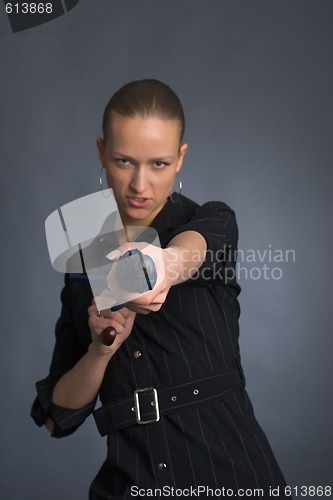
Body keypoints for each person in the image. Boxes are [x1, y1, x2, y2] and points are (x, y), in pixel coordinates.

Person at [31, 79, 290, 499]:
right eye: (123, 160)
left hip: (232, 475)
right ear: (101, 152)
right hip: (131, 482)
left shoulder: (212, 221)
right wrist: (100, 350)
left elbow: (185, 255)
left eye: (159, 164)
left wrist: (161, 266)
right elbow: (56, 418)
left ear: (180, 159)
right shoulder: (82, 262)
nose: (139, 185)